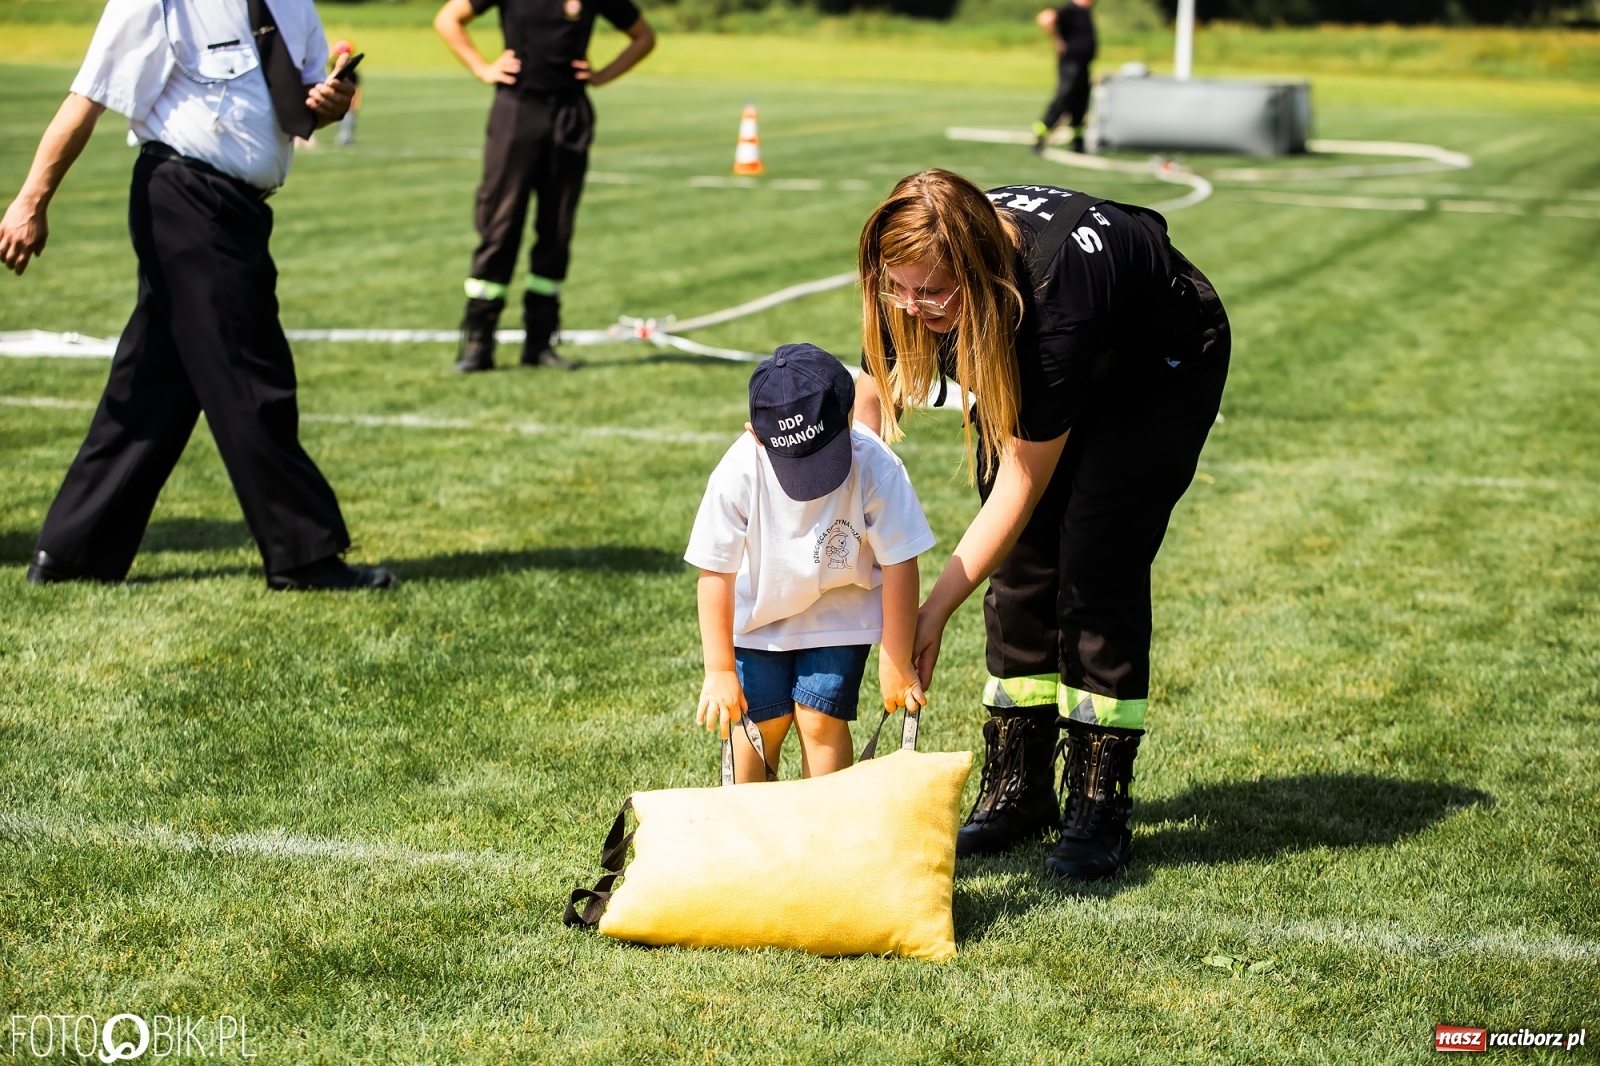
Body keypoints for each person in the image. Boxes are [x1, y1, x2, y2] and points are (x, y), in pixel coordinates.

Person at [855, 171, 1229, 880]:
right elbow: (870, 389)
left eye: (931, 293)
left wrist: (929, 614)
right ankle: (1018, 791)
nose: (912, 305)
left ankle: (1098, 803)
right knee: (1023, 565)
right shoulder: (925, 252)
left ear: (978, 268)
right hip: (1042, 335)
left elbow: (1022, 484)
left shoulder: (1056, 296)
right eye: (896, 288)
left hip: (1158, 367)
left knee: (1094, 559)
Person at [0, 0, 395, 592]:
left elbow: (305, 104)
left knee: (153, 386)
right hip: (185, 198)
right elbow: (89, 97)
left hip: (240, 210)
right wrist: (32, 200)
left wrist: (330, 103)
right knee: (251, 372)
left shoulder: (292, 6)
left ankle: (72, 552)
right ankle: (303, 556)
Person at [687, 344, 935, 784]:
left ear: (848, 417)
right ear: (756, 435)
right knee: (760, 724)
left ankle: (828, 835)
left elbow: (900, 561)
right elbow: (715, 573)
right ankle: (754, 834)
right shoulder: (736, 474)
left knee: (819, 719)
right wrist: (719, 669)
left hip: (841, 611)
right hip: (759, 618)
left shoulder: (875, 463)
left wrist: (896, 657)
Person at [434, 0, 655, 373]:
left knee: (556, 230)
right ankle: (478, 342)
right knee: (499, 227)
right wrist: (483, 68)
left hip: (570, 116)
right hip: (517, 110)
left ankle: (540, 342)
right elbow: (448, 19)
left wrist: (601, 75)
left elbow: (643, 37)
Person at [1033, 0, 1096, 154]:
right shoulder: (1070, 10)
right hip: (1070, 65)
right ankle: (1041, 135)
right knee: (1063, 98)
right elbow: (1045, 18)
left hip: (1082, 66)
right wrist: (1057, 40)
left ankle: (1078, 142)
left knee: (1080, 103)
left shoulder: (1084, 12)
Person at [330, 39, 361, 147]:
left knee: (347, 121)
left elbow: (356, 88)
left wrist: (355, 101)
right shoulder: (335, 67)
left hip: (346, 100)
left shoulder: (352, 72)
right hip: (339, 99)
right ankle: (343, 137)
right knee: (342, 121)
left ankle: (345, 138)